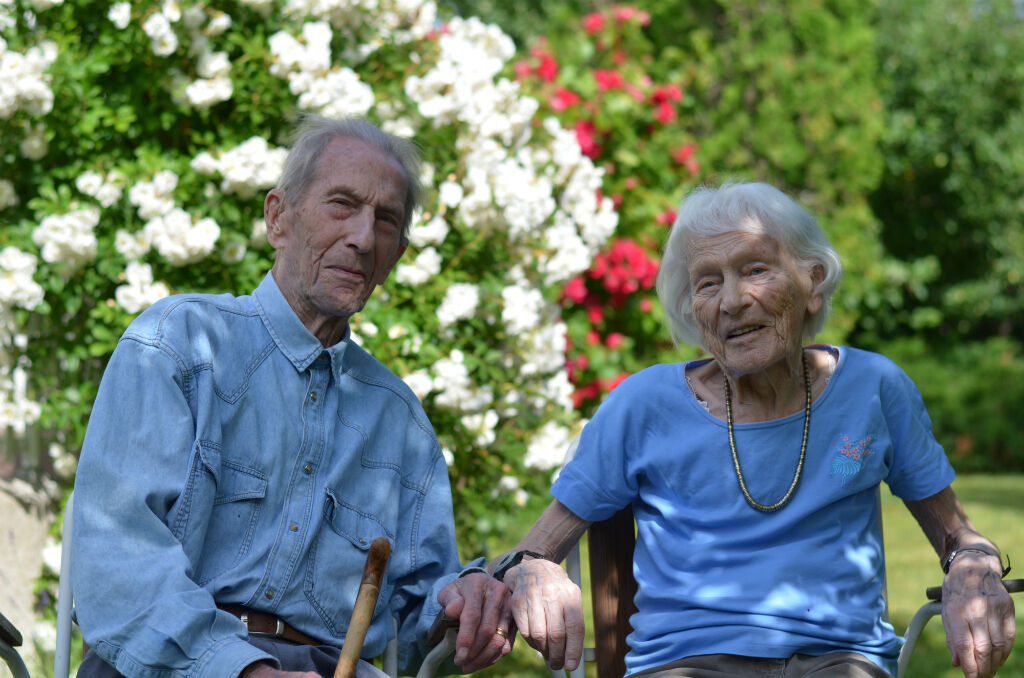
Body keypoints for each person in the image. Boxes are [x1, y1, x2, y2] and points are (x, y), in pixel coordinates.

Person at [493, 182, 1016, 678]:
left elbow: (956, 534)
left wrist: (972, 567)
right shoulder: (643, 404)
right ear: (694, 311)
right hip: (686, 662)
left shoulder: (873, 389)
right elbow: (531, 551)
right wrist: (533, 570)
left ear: (812, 282)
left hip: (838, 661)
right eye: (708, 282)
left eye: (756, 269)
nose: (733, 300)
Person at [71, 115, 513, 678]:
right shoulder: (177, 344)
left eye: (384, 221)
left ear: (396, 255)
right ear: (278, 217)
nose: (361, 238)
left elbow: (420, 619)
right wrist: (245, 670)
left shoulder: (400, 420)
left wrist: (464, 601)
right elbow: (119, 561)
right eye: (341, 204)